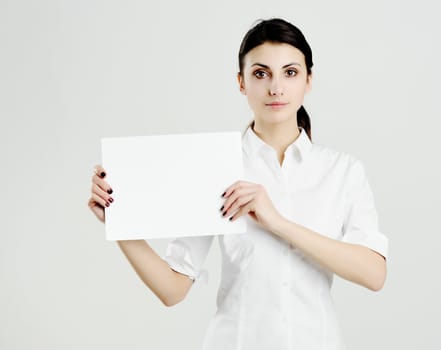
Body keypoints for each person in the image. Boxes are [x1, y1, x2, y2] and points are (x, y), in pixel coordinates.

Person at [88, 18, 388, 350]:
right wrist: (118, 221)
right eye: (261, 74)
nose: (276, 88)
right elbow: (173, 289)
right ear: (241, 82)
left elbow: (374, 274)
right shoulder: (215, 167)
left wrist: (277, 222)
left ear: (309, 80)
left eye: (290, 73)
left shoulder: (342, 171)